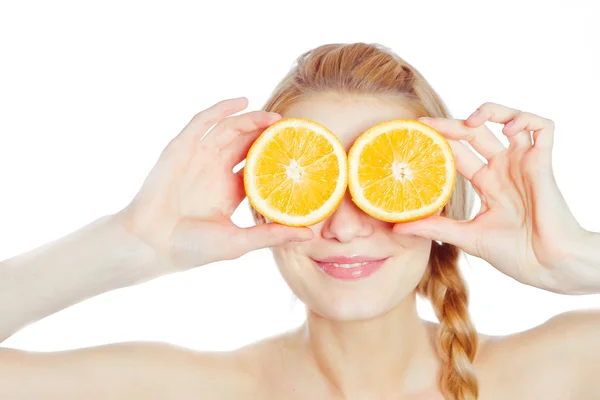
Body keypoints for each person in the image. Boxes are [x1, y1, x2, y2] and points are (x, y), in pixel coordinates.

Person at [0, 42, 599, 400]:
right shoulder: (197, 390)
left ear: (439, 199)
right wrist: (131, 244)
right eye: (312, 185)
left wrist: (576, 258)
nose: (343, 226)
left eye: (378, 183)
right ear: (262, 202)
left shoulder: (560, 370)